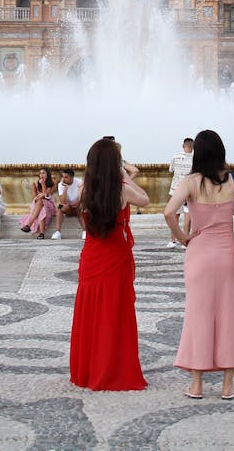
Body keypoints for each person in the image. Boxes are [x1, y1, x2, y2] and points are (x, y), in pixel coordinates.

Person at [165, 129, 234, 400]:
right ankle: (228, 386)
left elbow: (169, 212)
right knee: (231, 316)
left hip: (200, 254)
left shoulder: (191, 182)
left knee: (198, 315)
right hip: (230, 256)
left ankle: (196, 384)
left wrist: (183, 238)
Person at [69, 136, 151, 391]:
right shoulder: (122, 189)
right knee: (115, 314)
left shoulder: (85, 189)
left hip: (92, 255)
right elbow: (145, 200)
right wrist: (125, 176)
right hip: (115, 256)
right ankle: (113, 368)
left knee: (91, 311)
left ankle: (88, 369)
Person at [166, 137, 194, 247]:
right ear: (193, 147)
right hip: (189, 191)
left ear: (183, 146)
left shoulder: (175, 157)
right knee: (188, 216)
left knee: (175, 215)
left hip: (176, 190)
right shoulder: (196, 159)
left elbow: (170, 170)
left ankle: (173, 240)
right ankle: (185, 241)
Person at [19, 167, 57, 239]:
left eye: (43, 173)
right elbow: (35, 198)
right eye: (40, 173)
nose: (41, 175)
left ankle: (29, 225)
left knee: (42, 201)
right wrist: (41, 196)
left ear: (47, 174)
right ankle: (41, 234)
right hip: (38, 205)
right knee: (41, 209)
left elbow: (46, 196)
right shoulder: (35, 184)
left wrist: (43, 184)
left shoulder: (52, 184)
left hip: (49, 206)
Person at [53, 168, 83, 240]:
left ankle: (85, 231)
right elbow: (62, 201)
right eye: (63, 177)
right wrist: (65, 188)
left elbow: (83, 197)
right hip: (68, 207)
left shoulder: (79, 182)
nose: (64, 179)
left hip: (78, 206)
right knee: (60, 207)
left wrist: (77, 203)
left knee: (80, 206)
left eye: (66, 177)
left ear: (72, 177)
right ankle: (57, 232)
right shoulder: (61, 184)